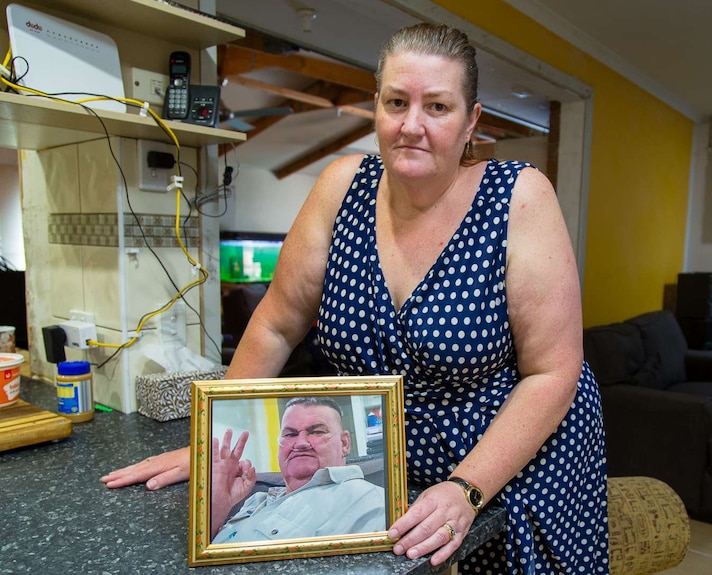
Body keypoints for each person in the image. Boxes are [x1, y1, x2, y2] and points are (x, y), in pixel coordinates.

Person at [101, 22, 608, 574]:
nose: (411, 125)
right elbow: (275, 323)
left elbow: (553, 372)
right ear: (376, 107)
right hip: (384, 465)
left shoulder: (518, 197)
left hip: (511, 456)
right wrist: (213, 443)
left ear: (472, 121)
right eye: (397, 102)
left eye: (437, 106)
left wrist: (467, 486)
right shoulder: (341, 187)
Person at [210, 397, 385, 543]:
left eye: (316, 432)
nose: (300, 443)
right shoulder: (256, 501)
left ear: (344, 443)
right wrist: (218, 507)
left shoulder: (371, 503)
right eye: (290, 434)